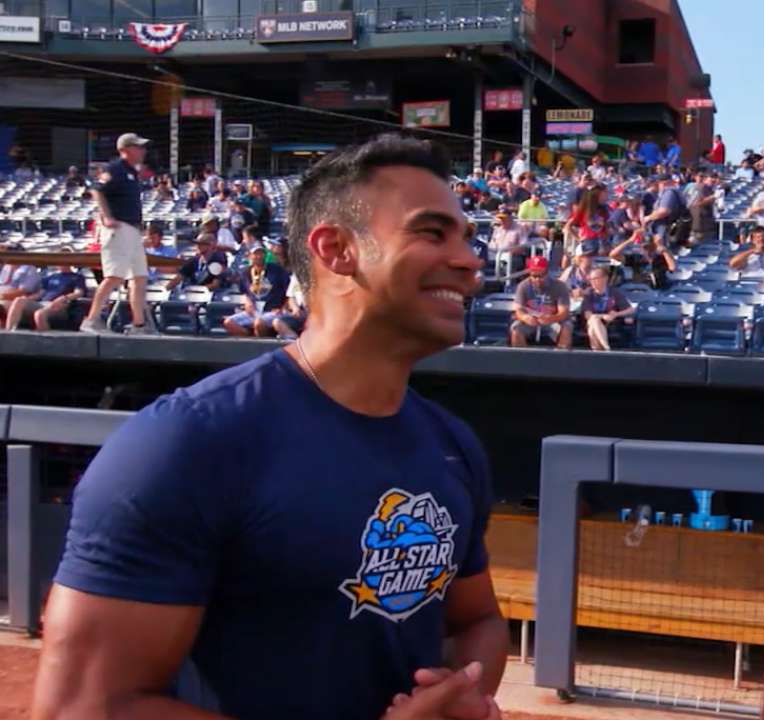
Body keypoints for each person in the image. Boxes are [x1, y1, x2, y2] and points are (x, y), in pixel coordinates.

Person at [34, 134, 506, 720]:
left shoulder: (452, 445)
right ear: (336, 249)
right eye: (432, 233)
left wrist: (463, 691)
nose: (469, 261)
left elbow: (476, 620)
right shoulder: (188, 444)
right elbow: (83, 709)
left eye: (467, 237)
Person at [80, 133, 155, 335]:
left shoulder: (132, 172)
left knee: (139, 277)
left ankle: (139, 324)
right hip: (118, 229)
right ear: (125, 149)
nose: (143, 151)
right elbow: (97, 190)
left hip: (132, 230)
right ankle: (91, 319)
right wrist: (106, 216)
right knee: (114, 276)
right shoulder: (115, 168)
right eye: (138, 147)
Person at [223, 244, 290, 337]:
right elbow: (245, 292)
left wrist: (283, 308)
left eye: (261, 254)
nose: (258, 256)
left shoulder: (277, 270)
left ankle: (262, 345)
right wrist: (247, 302)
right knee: (229, 323)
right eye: (255, 254)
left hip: (272, 310)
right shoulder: (245, 273)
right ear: (249, 256)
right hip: (253, 311)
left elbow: (289, 292)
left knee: (259, 323)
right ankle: (250, 341)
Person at [4, 260, 86, 331]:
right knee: (19, 300)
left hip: (62, 305)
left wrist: (64, 298)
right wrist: (27, 298)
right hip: (43, 302)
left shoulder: (77, 277)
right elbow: (41, 293)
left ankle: (44, 341)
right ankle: (9, 332)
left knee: (39, 314)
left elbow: (79, 293)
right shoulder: (51, 277)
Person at [510, 255, 571, 349]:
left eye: (541, 276)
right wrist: (525, 317)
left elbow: (564, 312)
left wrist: (551, 318)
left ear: (547, 273)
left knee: (567, 327)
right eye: (534, 276)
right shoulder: (523, 286)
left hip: (552, 321)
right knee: (516, 328)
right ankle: (521, 360)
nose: (537, 279)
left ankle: (560, 359)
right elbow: (518, 310)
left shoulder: (559, 286)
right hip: (531, 321)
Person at [581, 266, 634, 351]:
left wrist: (616, 314)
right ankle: (606, 348)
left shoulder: (614, 292)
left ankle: (598, 353)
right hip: (591, 321)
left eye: (595, 279)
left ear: (605, 279)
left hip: (610, 324)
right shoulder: (589, 294)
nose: (592, 282)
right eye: (591, 279)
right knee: (594, 320)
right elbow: (588, 315)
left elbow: (630, 309)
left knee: (592, 329)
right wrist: (603, 316)